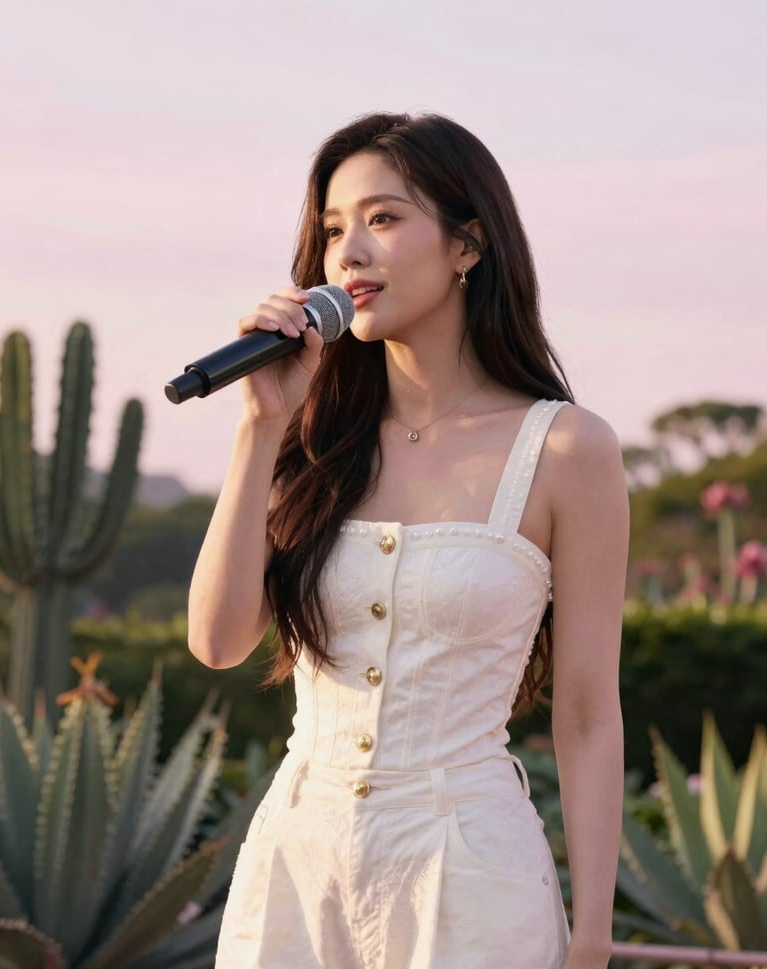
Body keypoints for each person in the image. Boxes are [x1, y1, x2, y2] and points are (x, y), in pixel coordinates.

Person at [188, 111, 628, 969]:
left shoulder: (569, 450)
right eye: (333, 229)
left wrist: (593, 938)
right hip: (294, 877)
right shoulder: (316, 440)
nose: (349, 252)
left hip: (468, 886)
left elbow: (584, 712)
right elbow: (215, 639)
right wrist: (261, 428)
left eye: (383, 219)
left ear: (467, 245)